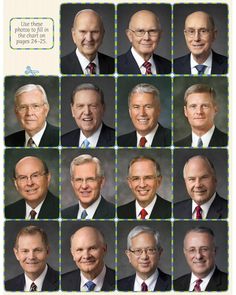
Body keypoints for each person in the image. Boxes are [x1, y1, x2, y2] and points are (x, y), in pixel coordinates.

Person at [5, 225, 59, 291]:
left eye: (37, 250)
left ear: (47, 251)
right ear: (17, 254)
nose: (31, 257)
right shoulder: (6, 287)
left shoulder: (63, 282)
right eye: (25, 251)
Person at [61, 9, 114, 74]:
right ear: (74, 35)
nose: (89, 39)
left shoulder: (114, 65)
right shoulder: (59, 66)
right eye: (83, 32)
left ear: (102, 34)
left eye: (94, 32)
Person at [118, 225, 171, 291]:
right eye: (138, 250)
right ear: (129, 255)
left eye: (150, 250)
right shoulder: (118, 287)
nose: (144, 257)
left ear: (159, 253)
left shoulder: (173, 285)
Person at [61, 226, 115, 291]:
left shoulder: (119, 282)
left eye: (92, 248)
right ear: (73, 253)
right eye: (80, 250)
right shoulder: (61, 283)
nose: (86, 256)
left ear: (104, 249)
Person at [174, 227, 227, 291]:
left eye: (204, 249)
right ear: (185, 253)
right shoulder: (174, 285)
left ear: (214, 251)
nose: (198, 256)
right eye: (192, 250)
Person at [61, 83, 115, 147]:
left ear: (103, 109)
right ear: (72, 110)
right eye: (80, 106)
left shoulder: (116, 140)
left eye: (93, 106)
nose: (87, 112)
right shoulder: (63, 141)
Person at [62, 154, 114, 219]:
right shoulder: (64, 215)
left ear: (101, 182)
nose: (84, 186)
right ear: (73, 183)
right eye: (79, 180)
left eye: (90, 179)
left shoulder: (115, 213)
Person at [118, 10, 171, 74]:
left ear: (160, 35)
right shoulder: (116, 65)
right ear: (129, 35)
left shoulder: (169, 66)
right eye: (140, 31)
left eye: (152, 31)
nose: (146, 38)